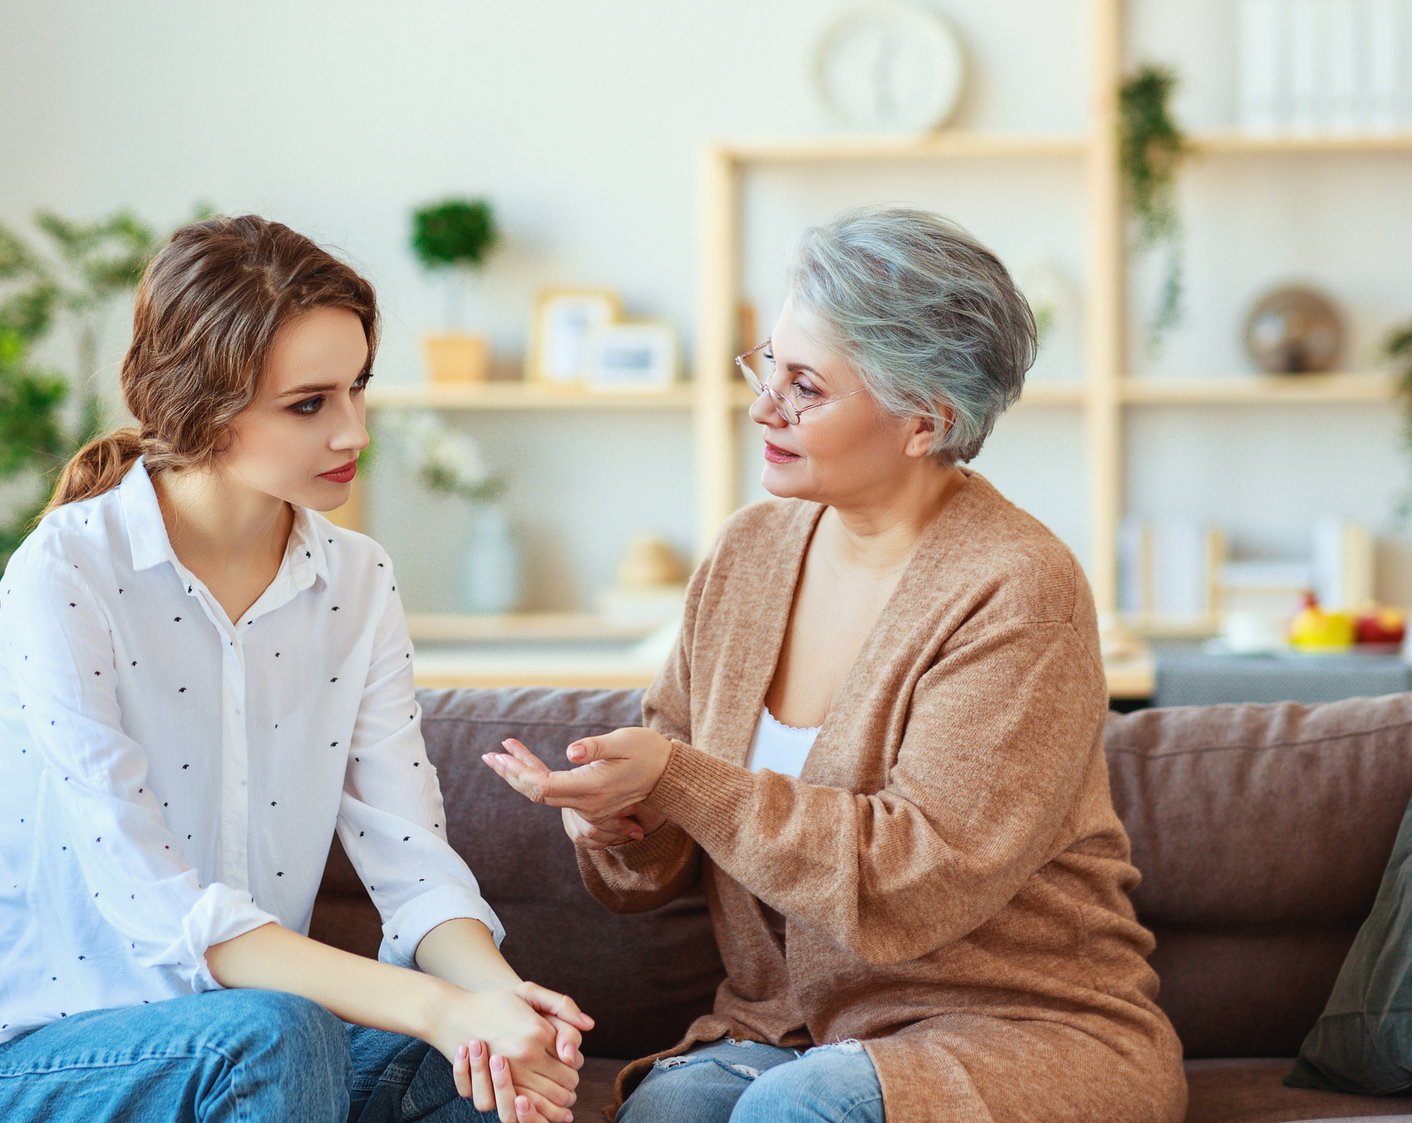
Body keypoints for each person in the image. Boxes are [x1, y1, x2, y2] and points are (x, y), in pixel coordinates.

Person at [484, 206, 1186, 1123]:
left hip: (1016, 1027)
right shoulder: (746, 554)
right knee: (668, 1110)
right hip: (785, 1030)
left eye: (805, 385)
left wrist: (681, 777)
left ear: (924, 420)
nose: (762, 406)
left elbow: (915, 877)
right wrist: (620, 820)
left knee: (800, 1110)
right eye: (767, 364)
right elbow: (667, 840)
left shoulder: (1017, 587)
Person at [0, 215, 589, 1123]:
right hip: (42, 1057)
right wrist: (439, 1007)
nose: (353, 430)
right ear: (205, 405)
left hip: (252, 1045)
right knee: (284, 1032)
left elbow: (413, 864)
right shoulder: (67, 571)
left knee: (470, 1067)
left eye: (358, 386)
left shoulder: (358, 581)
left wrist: (498, 1008)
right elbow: (160, 909)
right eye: (309, 403)